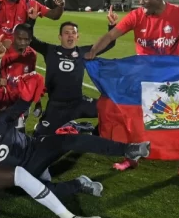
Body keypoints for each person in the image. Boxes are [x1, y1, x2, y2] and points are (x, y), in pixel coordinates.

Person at [86, 0, 179, 179]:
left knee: (177, 119)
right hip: (143, 76)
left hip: (171, 77)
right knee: (137, 118)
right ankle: (131, 158)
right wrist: (94, 51)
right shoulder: (136, 16)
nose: (141, 2)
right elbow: (112, 35)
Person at [0, 77, 152, 199]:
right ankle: (80, 184)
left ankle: (128, 149)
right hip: (23, 173)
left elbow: (21, 105)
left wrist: (32, 85)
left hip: (36, 149)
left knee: (72, 140)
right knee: (47, 193)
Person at [31, 8, 118, 136]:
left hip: (78, 102)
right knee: (39, 136)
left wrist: (112, 26)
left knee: (113, 111)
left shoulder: (84, 52)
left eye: (73, 33)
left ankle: (93, 135)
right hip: (56, 105)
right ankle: (61, 125)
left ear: (77, 36)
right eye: (66, 33)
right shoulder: (49, 50)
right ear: (60, 36)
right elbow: (31, 40)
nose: (70, 35)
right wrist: (31, 20)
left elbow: (109, 44)